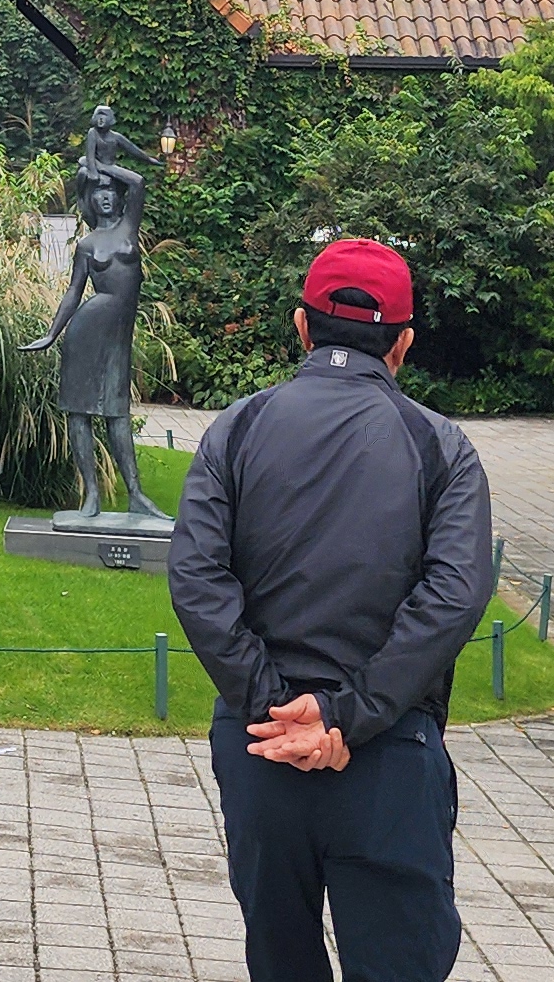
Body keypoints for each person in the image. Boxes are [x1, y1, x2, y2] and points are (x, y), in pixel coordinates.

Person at [169, 237, 490, 982]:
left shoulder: (236, 429)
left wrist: (274, 708)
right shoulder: (441, 447)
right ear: (403, 343)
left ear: (301, 325)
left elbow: (197, 577)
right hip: (387, 750)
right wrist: (347, 715)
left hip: (262, 746)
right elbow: (453, 594)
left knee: (279, 959)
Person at [21, 116, 160, 520]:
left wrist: (100, 165)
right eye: (97, 194)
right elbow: (73, 292)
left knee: (117, 413)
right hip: (86, 329)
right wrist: (52, 334)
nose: (104, 198)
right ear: (89, 201)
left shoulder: (129, 227)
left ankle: (136, 494)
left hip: (117, 332)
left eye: (109, 193)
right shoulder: (86, 244)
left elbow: (138, 181)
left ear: (117, 197)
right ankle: (91, 495)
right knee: (79, 411)